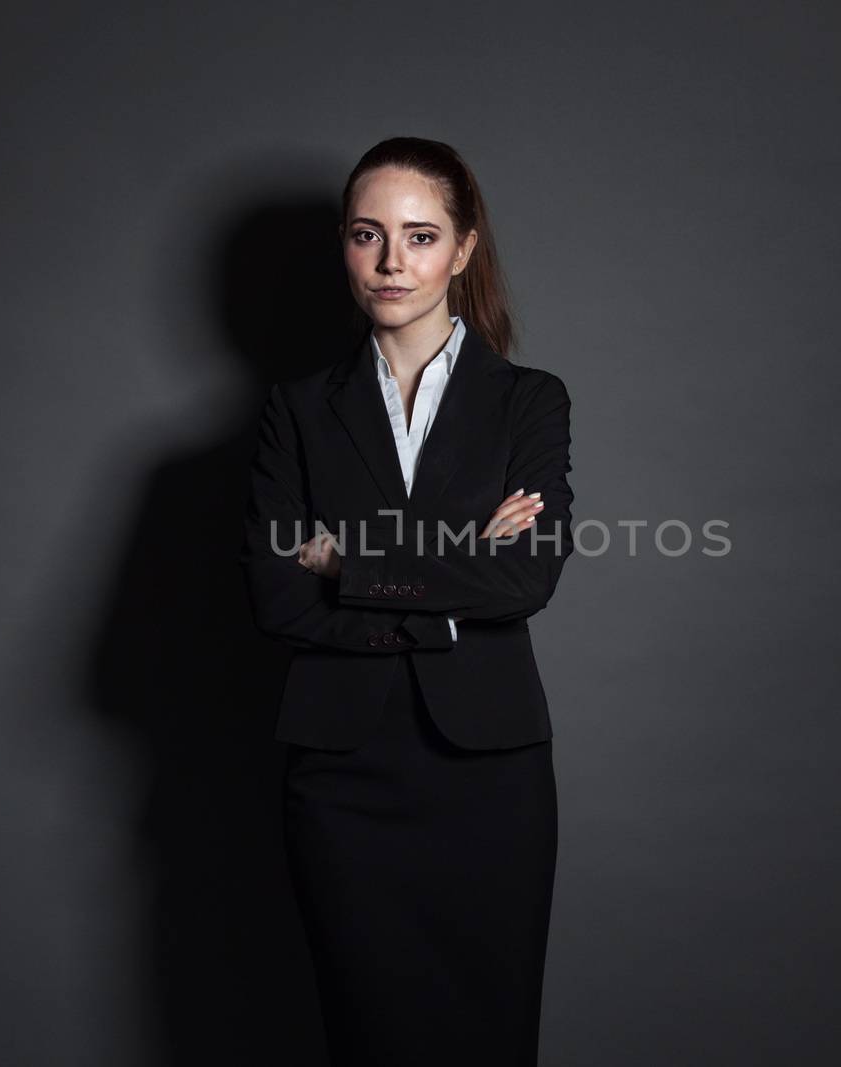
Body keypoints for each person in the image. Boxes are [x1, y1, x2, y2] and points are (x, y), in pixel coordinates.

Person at [239, 136, 575, 1065]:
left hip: (491, 776)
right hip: (342, 776)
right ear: (345, 248)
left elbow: (529, 576)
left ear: (463, 250)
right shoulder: (298, 409)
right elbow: (276, 594)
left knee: (491, 1034)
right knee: (368, 1037)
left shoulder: (529, 403)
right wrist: (456, 569)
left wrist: (351, 560)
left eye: (420, 236)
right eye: (367, 234)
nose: (392, 262)